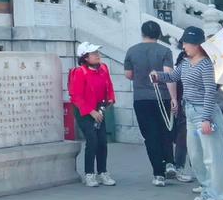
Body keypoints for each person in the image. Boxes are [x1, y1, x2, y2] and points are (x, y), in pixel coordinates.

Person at [154, 26, 223, 200]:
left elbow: (210, 92)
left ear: (197, 44)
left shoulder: (206, 64)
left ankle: (220, 199)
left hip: (205, 114)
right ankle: (207, 191)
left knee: (213, 158)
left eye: (187, 43)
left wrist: (206, 119)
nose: (184, 46)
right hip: (190, 114)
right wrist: (158, 77)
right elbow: (173, 76)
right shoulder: (186, 63)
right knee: (196, 157)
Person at [123, 22, 175, 186]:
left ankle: (158, 174)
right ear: (159, 34)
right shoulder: (165, 51)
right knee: (165, 132)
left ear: (142, 33)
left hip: (141, 98)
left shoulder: (132, 51)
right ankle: (169, 162)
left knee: (150, 136)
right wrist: (174, 98)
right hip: (163, 97)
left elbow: (128, 74)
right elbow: (168, 75)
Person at [69, 42, 116, 187]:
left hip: (99, 108)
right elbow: (76, 96)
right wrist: (91, 111)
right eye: (93, 53)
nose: (97, 55)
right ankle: (89, 174)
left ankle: (103, 172)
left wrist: (111, 99)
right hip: (84, 111)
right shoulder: (80, 72)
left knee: (102, 141)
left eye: (97, 52)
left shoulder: (103, 68)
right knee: (92, 140)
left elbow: (109, 86)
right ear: (85, 57)